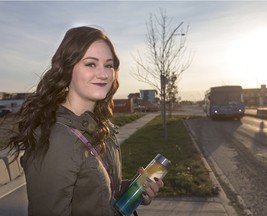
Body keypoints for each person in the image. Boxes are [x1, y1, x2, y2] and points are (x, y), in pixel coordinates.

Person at [4, 26, 163, 216]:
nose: (103, 74)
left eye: (109, 65)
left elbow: (96, 194)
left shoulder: (101, 126)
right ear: (67, 68)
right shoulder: (57, 140)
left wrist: (133, 190)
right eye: (91, 64)